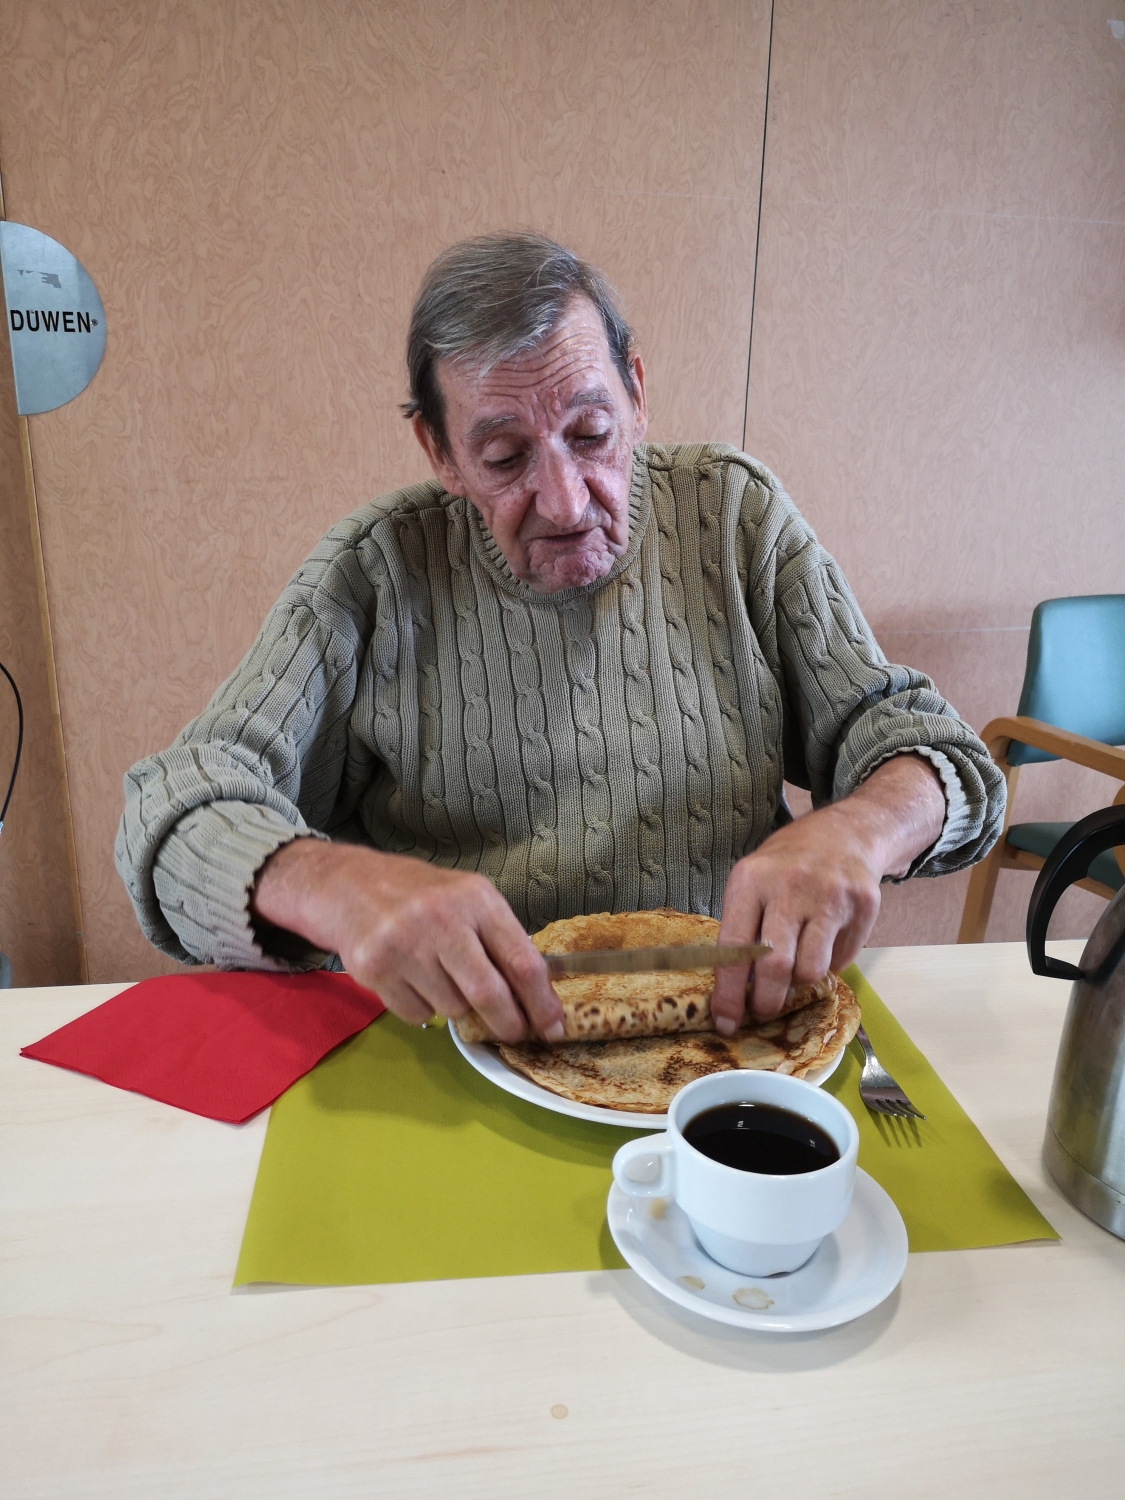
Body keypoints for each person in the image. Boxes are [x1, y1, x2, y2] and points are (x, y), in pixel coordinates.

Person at [115, 233, 1004, 1045]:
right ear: (439, 452)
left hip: (728, 1041)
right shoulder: (375, 572)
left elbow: (932, 749)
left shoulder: (734, 516)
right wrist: (333, 885)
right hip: (459, 1052)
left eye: (590, 434)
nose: (567, 500)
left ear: (637, 394)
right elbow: (170, 808)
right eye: (505, 458)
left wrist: (858, 831)